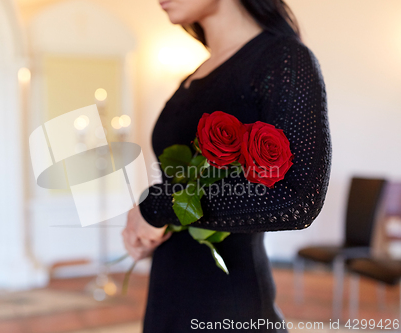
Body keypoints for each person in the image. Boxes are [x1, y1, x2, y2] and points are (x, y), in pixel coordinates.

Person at [122, 0, 331, 331]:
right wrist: (151, 229)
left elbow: (297, 199)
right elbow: (177, 188)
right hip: (166, 298)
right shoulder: (193, 76)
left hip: (228, 305)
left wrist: (157, 207)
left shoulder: (283, 59)